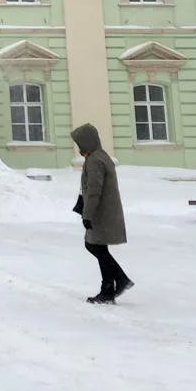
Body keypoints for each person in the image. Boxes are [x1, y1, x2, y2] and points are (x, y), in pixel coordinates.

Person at [70, 123, 131, 303]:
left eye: (80, 143)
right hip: (104, 211)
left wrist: (87, 214)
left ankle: (112, 286)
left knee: (95, 246)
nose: (79, 148)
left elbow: (94, 190)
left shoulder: (95, 160)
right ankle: (114, 284)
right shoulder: (100, 156)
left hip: (101, 212)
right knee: (97, 247)